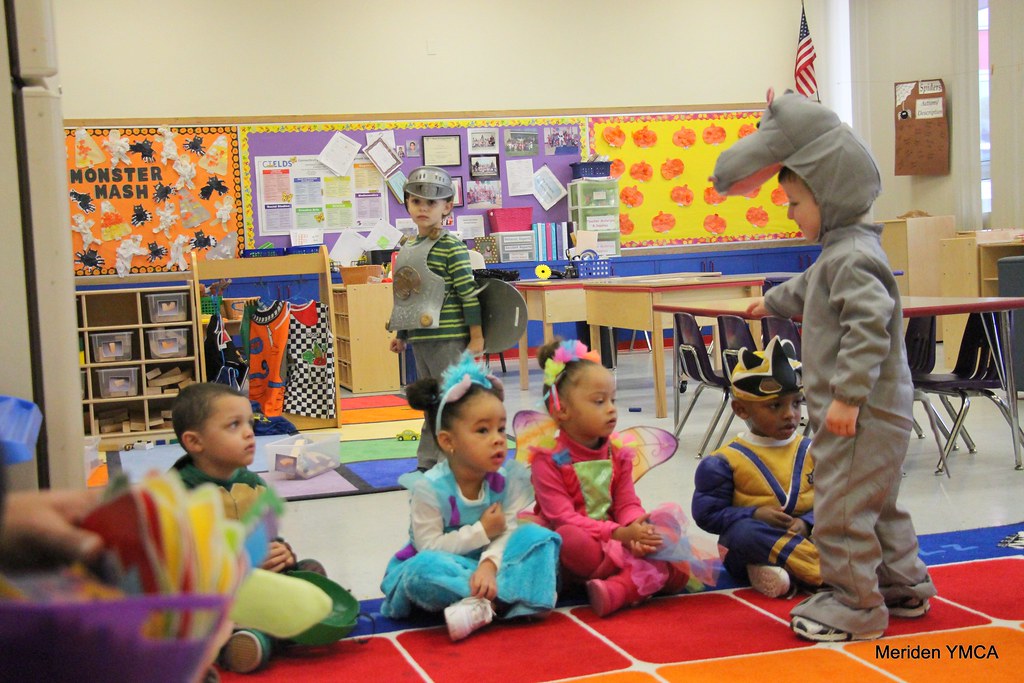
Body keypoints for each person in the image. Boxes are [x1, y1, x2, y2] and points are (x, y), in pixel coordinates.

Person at [711, 90, 936, 642]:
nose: (790, 215)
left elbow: (871, 324)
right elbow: (811, 287)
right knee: (876, 503)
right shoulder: (847, 250)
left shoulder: (852, 255)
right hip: (875, 413)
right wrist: (773, 301)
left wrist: (848, 397)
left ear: (828, 193)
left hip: (861, 414)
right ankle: (902, 585)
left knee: (838, 506)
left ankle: (855, 605)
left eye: (794, 203)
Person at [380, 353, 560, 641]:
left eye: (501, 429)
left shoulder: (506, 479)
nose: (499, 438)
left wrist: (488, 566)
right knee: (423, 570)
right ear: (448, 441)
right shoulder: (430, 489)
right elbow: (429, 547)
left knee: (542, 539)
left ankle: (484, 602)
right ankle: (507, 600)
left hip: (493, 564)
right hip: (450, 566)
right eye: (482, 430)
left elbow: (509, 531)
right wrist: (480, 532)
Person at [527, 339, 691, 617]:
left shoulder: (619, 454)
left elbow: (627, 502)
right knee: (567, 538)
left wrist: (638, 528)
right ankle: (631, 581)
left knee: (668, 530)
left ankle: (617, 585)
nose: (612, 409)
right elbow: (563, 518)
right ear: (561, 409)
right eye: (599, 401)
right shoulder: (548, 459)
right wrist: (620, 535)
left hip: (618, 536)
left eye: (613, 400)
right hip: (584, 543)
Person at [171, 382, 326, 673]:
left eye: (249, 424)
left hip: (255, 584)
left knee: (312, 571)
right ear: (195, 442)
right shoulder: (179, 494)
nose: (249, 433)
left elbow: (270, 539)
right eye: (233, 426)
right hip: (211, 596)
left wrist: (283, 554)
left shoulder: (254, 485)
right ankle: (251, 640)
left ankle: (257, 635)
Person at [692, 336, 821, 598]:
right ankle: (824, 573)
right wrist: (753, 514)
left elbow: (833, 498)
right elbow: (708, 516)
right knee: (742, 536)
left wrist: (807, 523)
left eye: (796, 403)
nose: (790, 415)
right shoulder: (722, 462)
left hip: (807, 535)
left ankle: (781, 571)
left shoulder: (813, 450)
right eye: (775, 406)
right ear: (741, 410)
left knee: (857, 515)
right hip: (756, 539)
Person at [388, 166, 483, 471]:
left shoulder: (452, 246)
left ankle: (452, 460)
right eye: (416, 202)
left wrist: (477, 336)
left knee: (451, 403)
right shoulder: (408, 247)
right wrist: (402, 335)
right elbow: (408, 295)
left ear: (447, 207)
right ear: (407, 205)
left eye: (431, 202)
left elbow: (468, 293)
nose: (423, 208)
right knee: (431, 402)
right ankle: (429, 461)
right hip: (421, 340)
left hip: (449, 338)